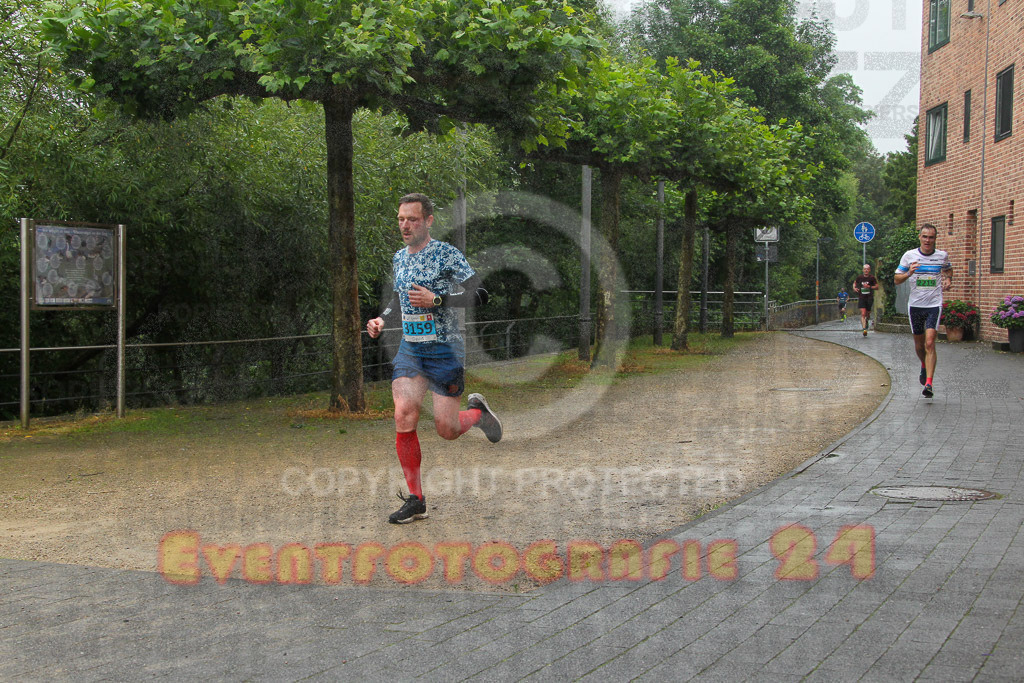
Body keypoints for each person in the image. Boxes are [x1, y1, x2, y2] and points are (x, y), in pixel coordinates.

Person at [366, 193, 502, 524]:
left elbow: (481, 294)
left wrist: (438, 299)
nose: (405, 225)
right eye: (400, 219)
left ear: (428, 221)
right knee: (404, 414)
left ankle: (477, 414)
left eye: (412, 219)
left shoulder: (446, 254)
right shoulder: (399, 258)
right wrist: (382, 319)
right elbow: (399, 299)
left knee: (447, 429)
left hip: (444, 349)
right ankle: (416, 500)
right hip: (412, 349)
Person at [894, 223, 953, 398]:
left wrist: (948, 280)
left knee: (929, 342)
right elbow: (897, 279)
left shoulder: (941, 256)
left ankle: (929, 383)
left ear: (935, 239)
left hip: (934, 304)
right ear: (920, 237)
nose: (928, 240)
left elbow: (948, 269)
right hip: (915, 306)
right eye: (925, 236)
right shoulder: (909, 256)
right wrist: (909, 273)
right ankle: (923, 365)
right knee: (919, 346)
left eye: (931, 237)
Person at [852, 264, 878, 336]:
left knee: (868, 314)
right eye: (865, 269)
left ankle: (867, 320)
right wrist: (854, 288)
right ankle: (864, 329)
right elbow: (855, 283)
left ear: (869, 270)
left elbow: (877, 287)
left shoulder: (872, 278)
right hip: (862, 298)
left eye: (867, 269)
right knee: (863, 313)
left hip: (869, 298)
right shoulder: (860, 277)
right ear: (863, 270)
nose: (866, 270)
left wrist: (869, 286)